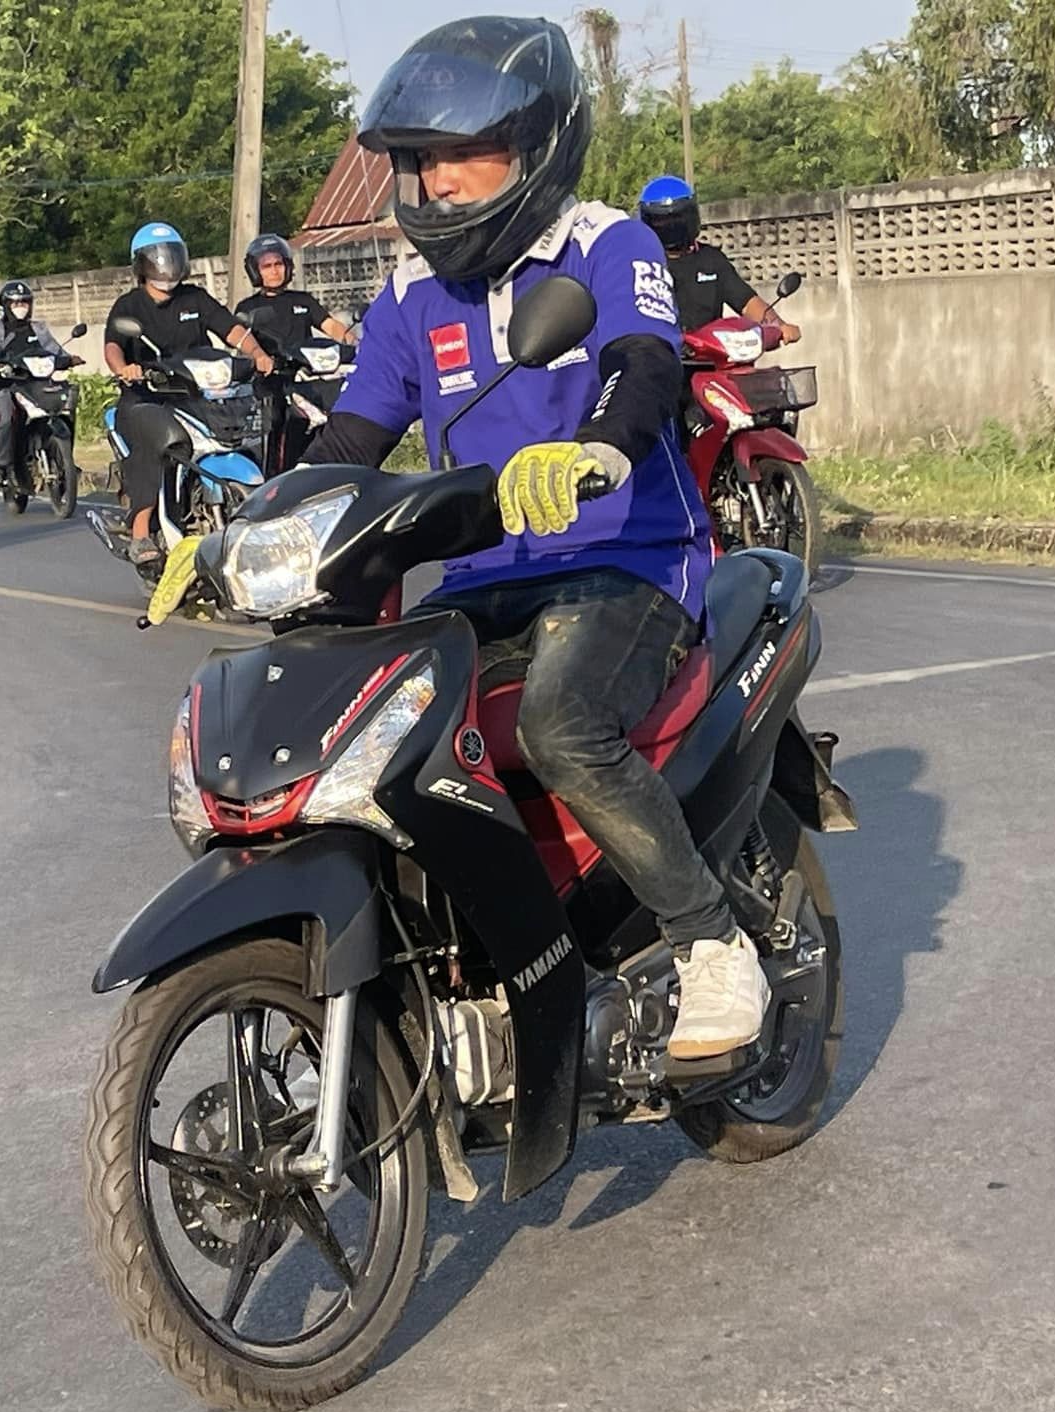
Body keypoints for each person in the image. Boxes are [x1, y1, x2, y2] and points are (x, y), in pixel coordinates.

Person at [247, 16, 767, 1053]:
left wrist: (598, 448)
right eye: (417, 160)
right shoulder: (409, 295)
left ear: (535, 146)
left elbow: (641, 361)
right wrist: (255, 522)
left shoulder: (604, 244)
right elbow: (354, 434)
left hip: (626, 562)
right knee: (372, 741)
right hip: (484, 579)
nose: (434, 183)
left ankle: (710, 942)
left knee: (560, 724)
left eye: (461, 154)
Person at [103, 221, 275, 569]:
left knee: (245, 431)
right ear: (141, 264)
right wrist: (125, 369)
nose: (165, 264)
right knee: (163, 441)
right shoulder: (130, 305)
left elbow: (231, 329)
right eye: (157, 258)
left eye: (171, 256)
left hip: (195, 395)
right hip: (147, 397)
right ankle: (140, 532)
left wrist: (257, 352)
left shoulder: (195, 297)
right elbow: (113, 346)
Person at [234, 233, 357, 471]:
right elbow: (242, 343)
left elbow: (330, 326)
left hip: (308, 379)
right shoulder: (248, 308)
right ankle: (278, 474)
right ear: (254, 270)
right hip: (273, 383)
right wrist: (260, 359)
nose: (274, 271)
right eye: (267, 266)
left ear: (288, 266)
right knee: (278, 424)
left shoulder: (303, 300)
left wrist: (354, 341)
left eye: (278, 264)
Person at [637, 175, 800, 343]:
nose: (670, 226)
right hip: (659, 354)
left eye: (677, 219)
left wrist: (778, 326)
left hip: (711, 352)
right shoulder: (641, 265)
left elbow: (746, 302)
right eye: (661, 222)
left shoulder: (711, 260)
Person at [0, 279, 73, 489]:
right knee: (7, 416)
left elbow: (53, 348)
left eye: (24, 302)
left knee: (64, 406)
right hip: (6, 383)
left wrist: (69, 358)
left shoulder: (38, 328)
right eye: (15, 303)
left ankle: (64, 461)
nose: (21, 307)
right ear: (5, 306)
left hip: (34, 383)